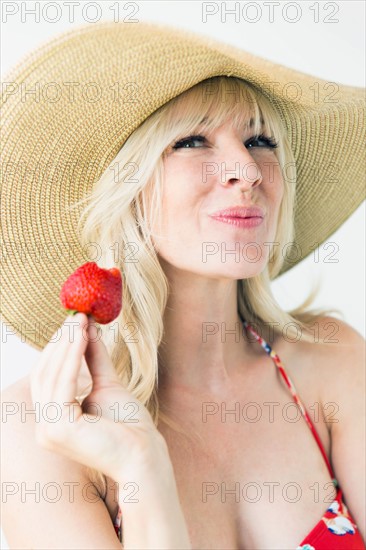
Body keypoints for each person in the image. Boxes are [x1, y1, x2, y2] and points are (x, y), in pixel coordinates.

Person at [1, 21, 365, 550]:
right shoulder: (42, 431)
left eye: (260, 140)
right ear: (127, 192)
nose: (247, 168)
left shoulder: (331, 363)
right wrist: (140, 464)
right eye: (191, 141)